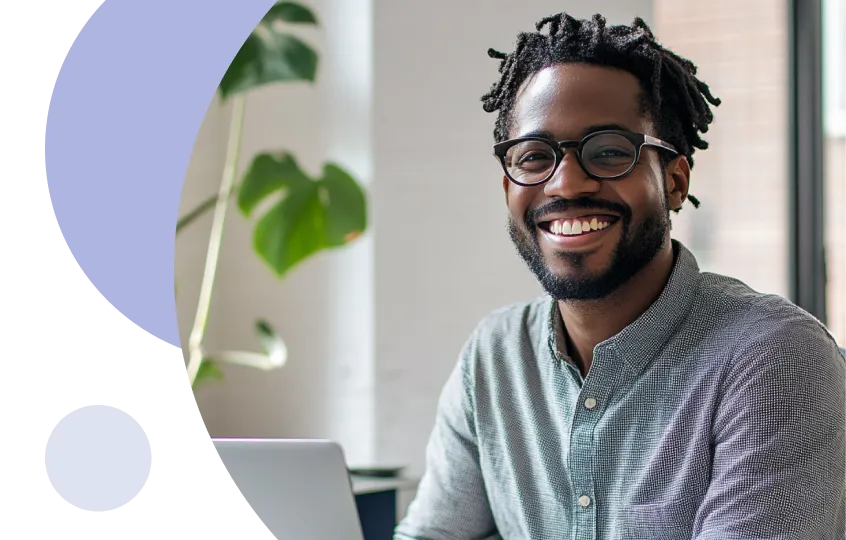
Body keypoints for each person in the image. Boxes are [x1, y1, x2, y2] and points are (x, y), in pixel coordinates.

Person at [393, 12, 846, 540]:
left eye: (609, 152)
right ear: (507, 189)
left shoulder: (772, 357)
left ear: (674, 182)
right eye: (535, 156)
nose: (565, 183)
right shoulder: (494, 356)